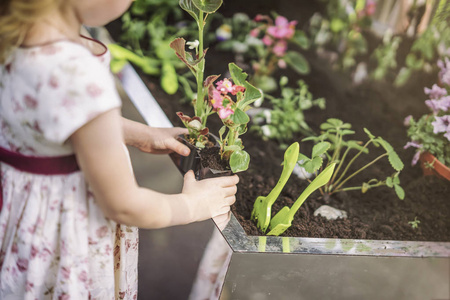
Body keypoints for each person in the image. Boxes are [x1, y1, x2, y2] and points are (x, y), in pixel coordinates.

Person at [0, 0, 239, 298]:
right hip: (66, 232)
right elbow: (123, 204)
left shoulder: (17, 36)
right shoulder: (75, 72)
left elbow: (52, 118)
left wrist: (137, 133)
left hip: (27, 216)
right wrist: (193, 205)